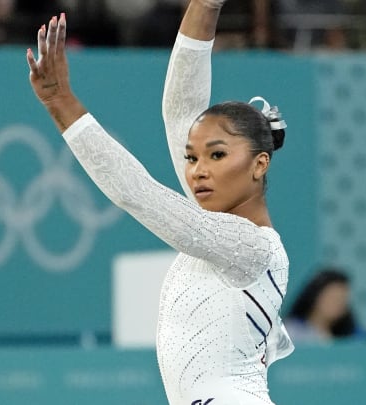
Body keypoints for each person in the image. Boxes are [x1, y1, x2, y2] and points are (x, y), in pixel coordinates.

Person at [25, 1, 294, 403]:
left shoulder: (252, 248)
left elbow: (137, 192)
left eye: (217, 155)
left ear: (260, 164)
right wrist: (205, 5)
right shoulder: (214, 228)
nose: (198, 170)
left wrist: (63, 103)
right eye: (192, 157)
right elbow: (180, 109)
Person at [285, 268, 360, 343]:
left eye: (342, 299)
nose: (337, 304)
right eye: (332, 298)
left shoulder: (352, 337)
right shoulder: (291, 332)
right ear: (315, 296)